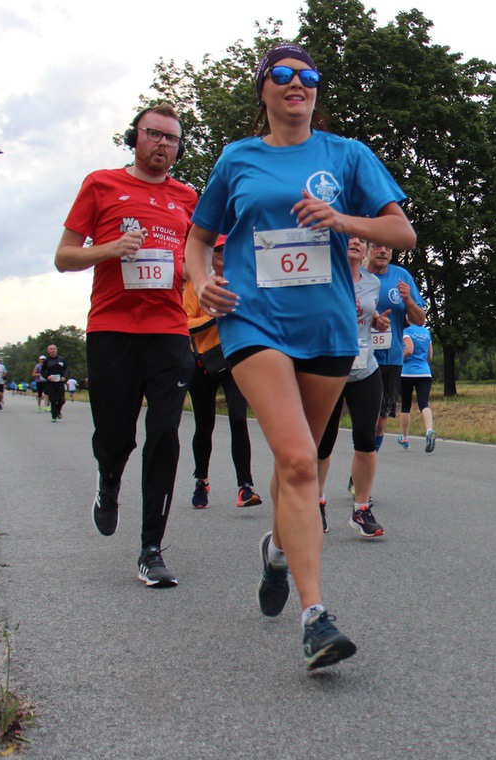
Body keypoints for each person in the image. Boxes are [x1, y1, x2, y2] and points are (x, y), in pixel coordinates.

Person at [185, 42, 415, 669]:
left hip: (327, 328)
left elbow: (401, 231)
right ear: (263, 90)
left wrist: (343, 219)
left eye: (307, 75)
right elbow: (198, 240)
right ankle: (316, 618)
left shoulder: (347, 155)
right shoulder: (238, 158)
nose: (297, 83)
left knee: (301, 463)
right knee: (294, 457)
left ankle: (279, 551)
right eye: (282, 74)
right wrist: (202, 282)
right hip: (252, 320)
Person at [55, 101, 197, 588]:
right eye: (154, 134)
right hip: (112, 328)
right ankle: (109, 477)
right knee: (116, 436)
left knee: (165, 433)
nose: (163, 144)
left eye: (172, 138)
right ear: (135, 138)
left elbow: (198, 259)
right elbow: (64, 257)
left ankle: (151, 549)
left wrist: (194, 274)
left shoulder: (188, 197)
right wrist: (110, 249)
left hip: (169, 331)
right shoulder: (101, 184)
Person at [316, 237, 389, 538]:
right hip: (330, 368)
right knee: (323, 443)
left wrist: (377, 322)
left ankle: (361, 509)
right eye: (349, 238)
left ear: (366, 250)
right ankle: (315, 503)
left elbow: (365, 314)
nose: (355, 243)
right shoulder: (324, 277)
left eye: (361, 240)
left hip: (365, 368)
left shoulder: (373, 282)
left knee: (366, 439)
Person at [183, 235, 261, 510]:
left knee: (239, 419)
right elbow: (184, 323)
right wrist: (213, 315)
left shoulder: (244, 284)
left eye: (228, 251)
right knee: (204, 425)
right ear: (210, 257)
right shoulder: (196, 285)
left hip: (233, 360)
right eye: (218, 252)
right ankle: (201, 481)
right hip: (203, 363)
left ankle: (245, 486)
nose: (224, 257)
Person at [365, 242, 426, 454]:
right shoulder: (358, 275)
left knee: (380, 422)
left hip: (390, 359)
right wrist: (373, 321)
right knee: (365, 419)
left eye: (388, 248)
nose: (383, 251)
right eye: (377, 246)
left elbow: (420, 320)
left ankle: (367, 462)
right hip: (360, 357)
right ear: (368, 249)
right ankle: (362, 460)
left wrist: (408, 300)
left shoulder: (401, 276)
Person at [398, 321, 437, 452]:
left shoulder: (406, 332)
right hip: (425, 372)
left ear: (408, 318)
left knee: (405, 406)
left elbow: (409, 350)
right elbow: (430, 356)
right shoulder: (426, 332)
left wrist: (399, 358)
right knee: (424, 403)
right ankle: (429, 430)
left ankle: (405, 438)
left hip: (407, 373)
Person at [40, 344, 68, 422]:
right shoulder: (47, 361)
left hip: (60, 382)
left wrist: (64, 377)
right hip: (51, 383)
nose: (53, 350)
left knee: (62, 399)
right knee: (53, 399)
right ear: (48, 351)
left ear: (56, 350)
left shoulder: (62, 359)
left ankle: (58, 411)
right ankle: (54, 416)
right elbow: (42, 372)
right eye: (51, 349)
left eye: (54, 349)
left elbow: (66, 370)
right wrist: (47, 377)